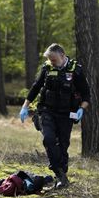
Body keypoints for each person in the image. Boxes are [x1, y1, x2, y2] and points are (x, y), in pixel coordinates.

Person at [19, 43, 90, 189]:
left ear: (63, 56)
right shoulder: (46, 68)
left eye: (54, 59)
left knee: (63, 146)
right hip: (47, 111)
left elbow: (86, 94)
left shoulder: (75, 70)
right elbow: (35, 87)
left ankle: (62, 177)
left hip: (67, 114)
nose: (52, 62)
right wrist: (25, 106)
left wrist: (81, 109)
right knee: (49, 139)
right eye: (50, 59)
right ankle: (58, 173)